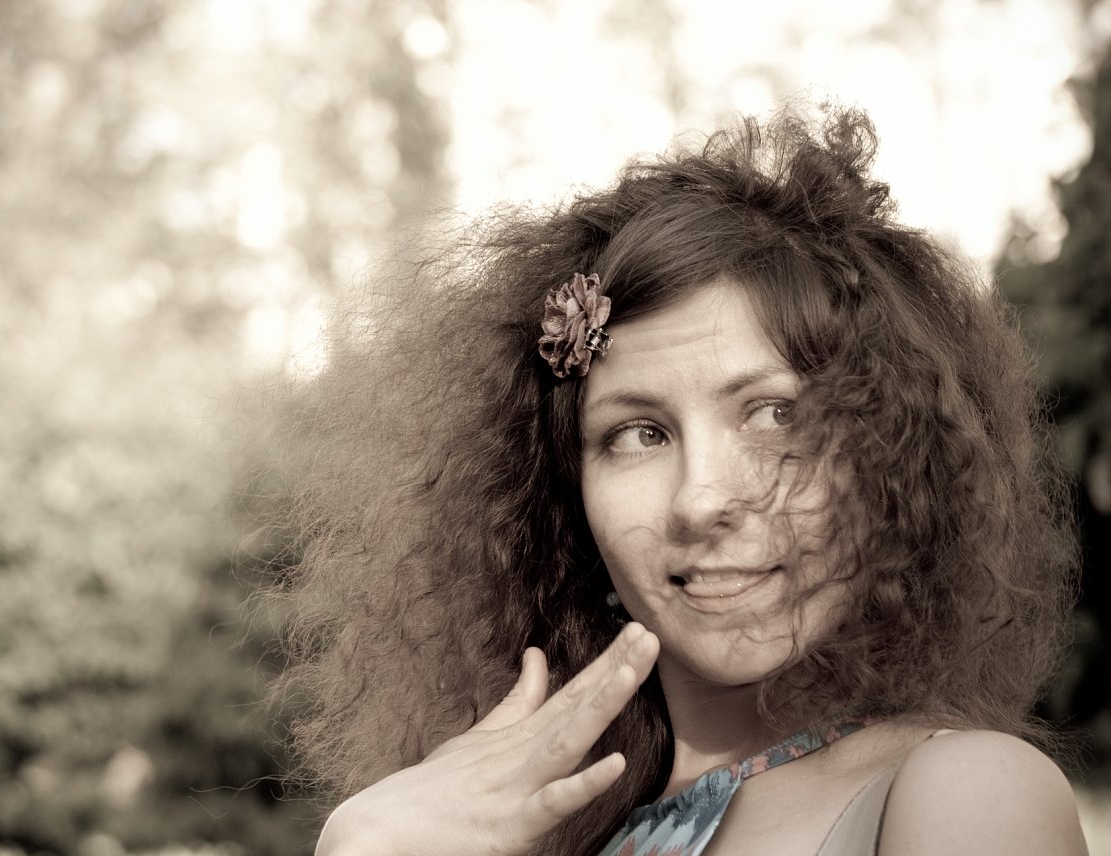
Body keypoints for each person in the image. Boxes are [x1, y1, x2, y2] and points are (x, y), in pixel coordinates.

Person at [275, 108, 1090, 856]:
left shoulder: (966, 791)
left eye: (775, 416)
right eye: (640, 434)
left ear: (892, 458)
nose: (701, 499)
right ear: (568, 504)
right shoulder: (556, 833)